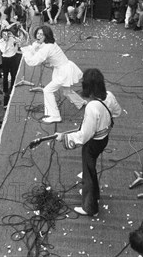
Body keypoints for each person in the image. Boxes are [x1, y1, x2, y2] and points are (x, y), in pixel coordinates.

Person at [55, 68, 122, 216]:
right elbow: (117, 112)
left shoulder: (92, 107)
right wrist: (103, 121)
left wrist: (65, 138)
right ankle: (93, 194)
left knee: (88, 173)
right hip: (104, 138)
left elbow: (84, 135)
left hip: (93, 143)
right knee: (90, 171)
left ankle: (90, 207)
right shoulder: (109, 96)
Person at [21, 26, 86, 123]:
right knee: (66, 91)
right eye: (38, 33)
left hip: (63, 71)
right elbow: (35, 48)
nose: (38, 36)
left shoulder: (47, 48)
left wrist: (24, 48)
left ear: (46, 36)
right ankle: (80, 102)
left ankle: (55, 116)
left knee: (47, 90)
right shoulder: (48, 43)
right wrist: (26, 46)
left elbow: (32, 61)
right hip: (63, 68)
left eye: (41, 34)